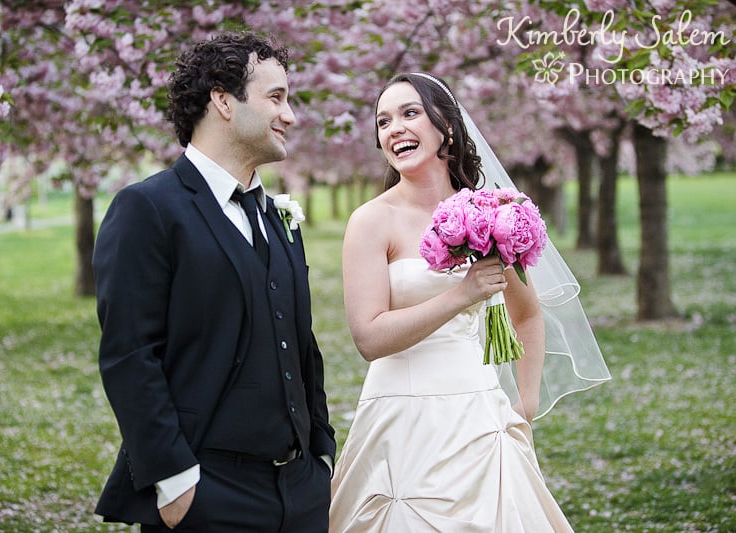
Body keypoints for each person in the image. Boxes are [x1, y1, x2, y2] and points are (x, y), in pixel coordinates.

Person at [329, 72, 610, 532]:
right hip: (399, 422)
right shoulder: (371, 221)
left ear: (449, 128)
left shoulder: (492, 215)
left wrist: (526, 403)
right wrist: (462, 294)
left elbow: (528, 313)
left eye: (410, 113)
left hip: (479, 418)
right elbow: (369, 337)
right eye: (383, 122)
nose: (394, 128)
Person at [92, 32, 336, 532]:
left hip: (301, 493)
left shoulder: (278, 217)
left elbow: (301, 342)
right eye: (276, 98)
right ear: (223, 100)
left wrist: (321, 453)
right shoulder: (148, 208)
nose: (290, 116)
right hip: (206, 496)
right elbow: (129, 354)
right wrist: (175, 478)